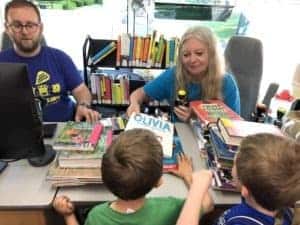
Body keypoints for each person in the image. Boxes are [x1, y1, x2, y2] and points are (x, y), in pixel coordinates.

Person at [53, 128, 213, 225]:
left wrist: (68, 215)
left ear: (106, 179)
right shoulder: (170, 207)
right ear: (159, 181)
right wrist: (188, 175)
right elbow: (207, 203)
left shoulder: (96, 216)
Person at [0, 0, 100, 122]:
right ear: (7, 28)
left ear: (40, 28)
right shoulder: (2, 62)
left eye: (30, 25)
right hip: (17, 133)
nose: (25, 32)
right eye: (17, 25)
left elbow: (81, 90)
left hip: (63, 130)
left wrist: (83, 106)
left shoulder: (60, 58)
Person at [127, 25, 240, 122]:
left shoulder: (227, 83)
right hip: (180, 137)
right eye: (186, 55)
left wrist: (195, 117)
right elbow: (140, 93)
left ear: (212, 55)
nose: (192, 60)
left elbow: (233, 127)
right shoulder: (173, 75)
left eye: (199, 53)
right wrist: (134, 104)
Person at [214, 133, 300, 225]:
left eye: (234, 164)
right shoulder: (283, 209)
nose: (232, 167)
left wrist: (197, 200)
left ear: (245, 190)